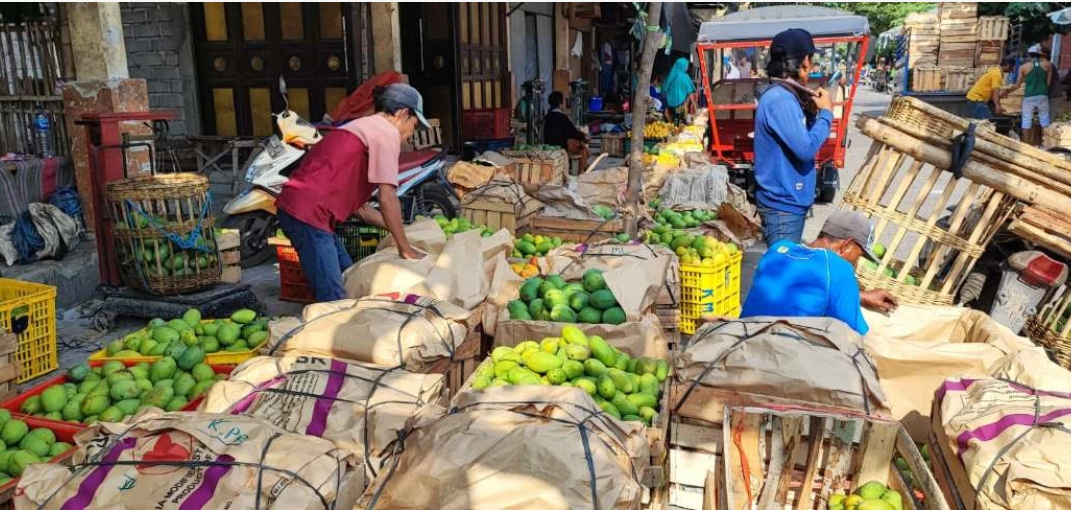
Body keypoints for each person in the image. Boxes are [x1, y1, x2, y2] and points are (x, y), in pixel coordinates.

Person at [275, 83, 426, 302]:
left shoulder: (364, 126)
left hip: (308, 213)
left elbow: (362, 210)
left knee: (350, 276)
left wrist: (403, 229)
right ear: (403, 113)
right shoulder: (386, 133)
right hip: (308, 216)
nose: (412, 133)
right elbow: (387, 197)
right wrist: (406, 249)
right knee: (334, 298)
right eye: (414, 124)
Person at [739, 210, 899, 335]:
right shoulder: (838, 267)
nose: (856, 263)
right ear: (847, 245)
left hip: (743, 337)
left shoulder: (778, 249)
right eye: (859, 255)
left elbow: (799, 289)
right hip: (782, 356)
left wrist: (859, 296)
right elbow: (854, 334)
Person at [753, 28, 833, 245]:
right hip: (783, 210)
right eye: (812, 60)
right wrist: (826, 113)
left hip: (786, 207)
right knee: (781, 275)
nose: (812, 67)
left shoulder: (785, 96)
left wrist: (810, 114)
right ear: (804, 63)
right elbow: (805, 148)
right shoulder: (781, 100)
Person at [1016, 44, 1053, 145]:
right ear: (1040, 54)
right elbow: (1048, 83)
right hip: (1043, 95)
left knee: (1026, 119)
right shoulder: (1048, 65)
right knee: (1044, 118)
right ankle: (1045, 143)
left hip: (1029, 96)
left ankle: (1025, 144)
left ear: (1029, 55)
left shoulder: (1023, 67)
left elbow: (1017, 85)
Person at [542, 91, 589, 170]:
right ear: (560, 104)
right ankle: (581, 172)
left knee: (579, 143)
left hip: (548, 145)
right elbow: (573, 132)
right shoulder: (562, 117)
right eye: (564, 101)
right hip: (560, 147)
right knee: (582, 148)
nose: (565, 103)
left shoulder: (547, 117)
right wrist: (584, 136)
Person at [662, 57, 697, 123]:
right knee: (679, 124)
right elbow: (690, 92)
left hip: (669, 105)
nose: (687, 67)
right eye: (686, 65)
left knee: (671, 124)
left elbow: (664, 89)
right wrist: (695, 106)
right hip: (680, 106)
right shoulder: (684, 77)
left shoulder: (671, 76)